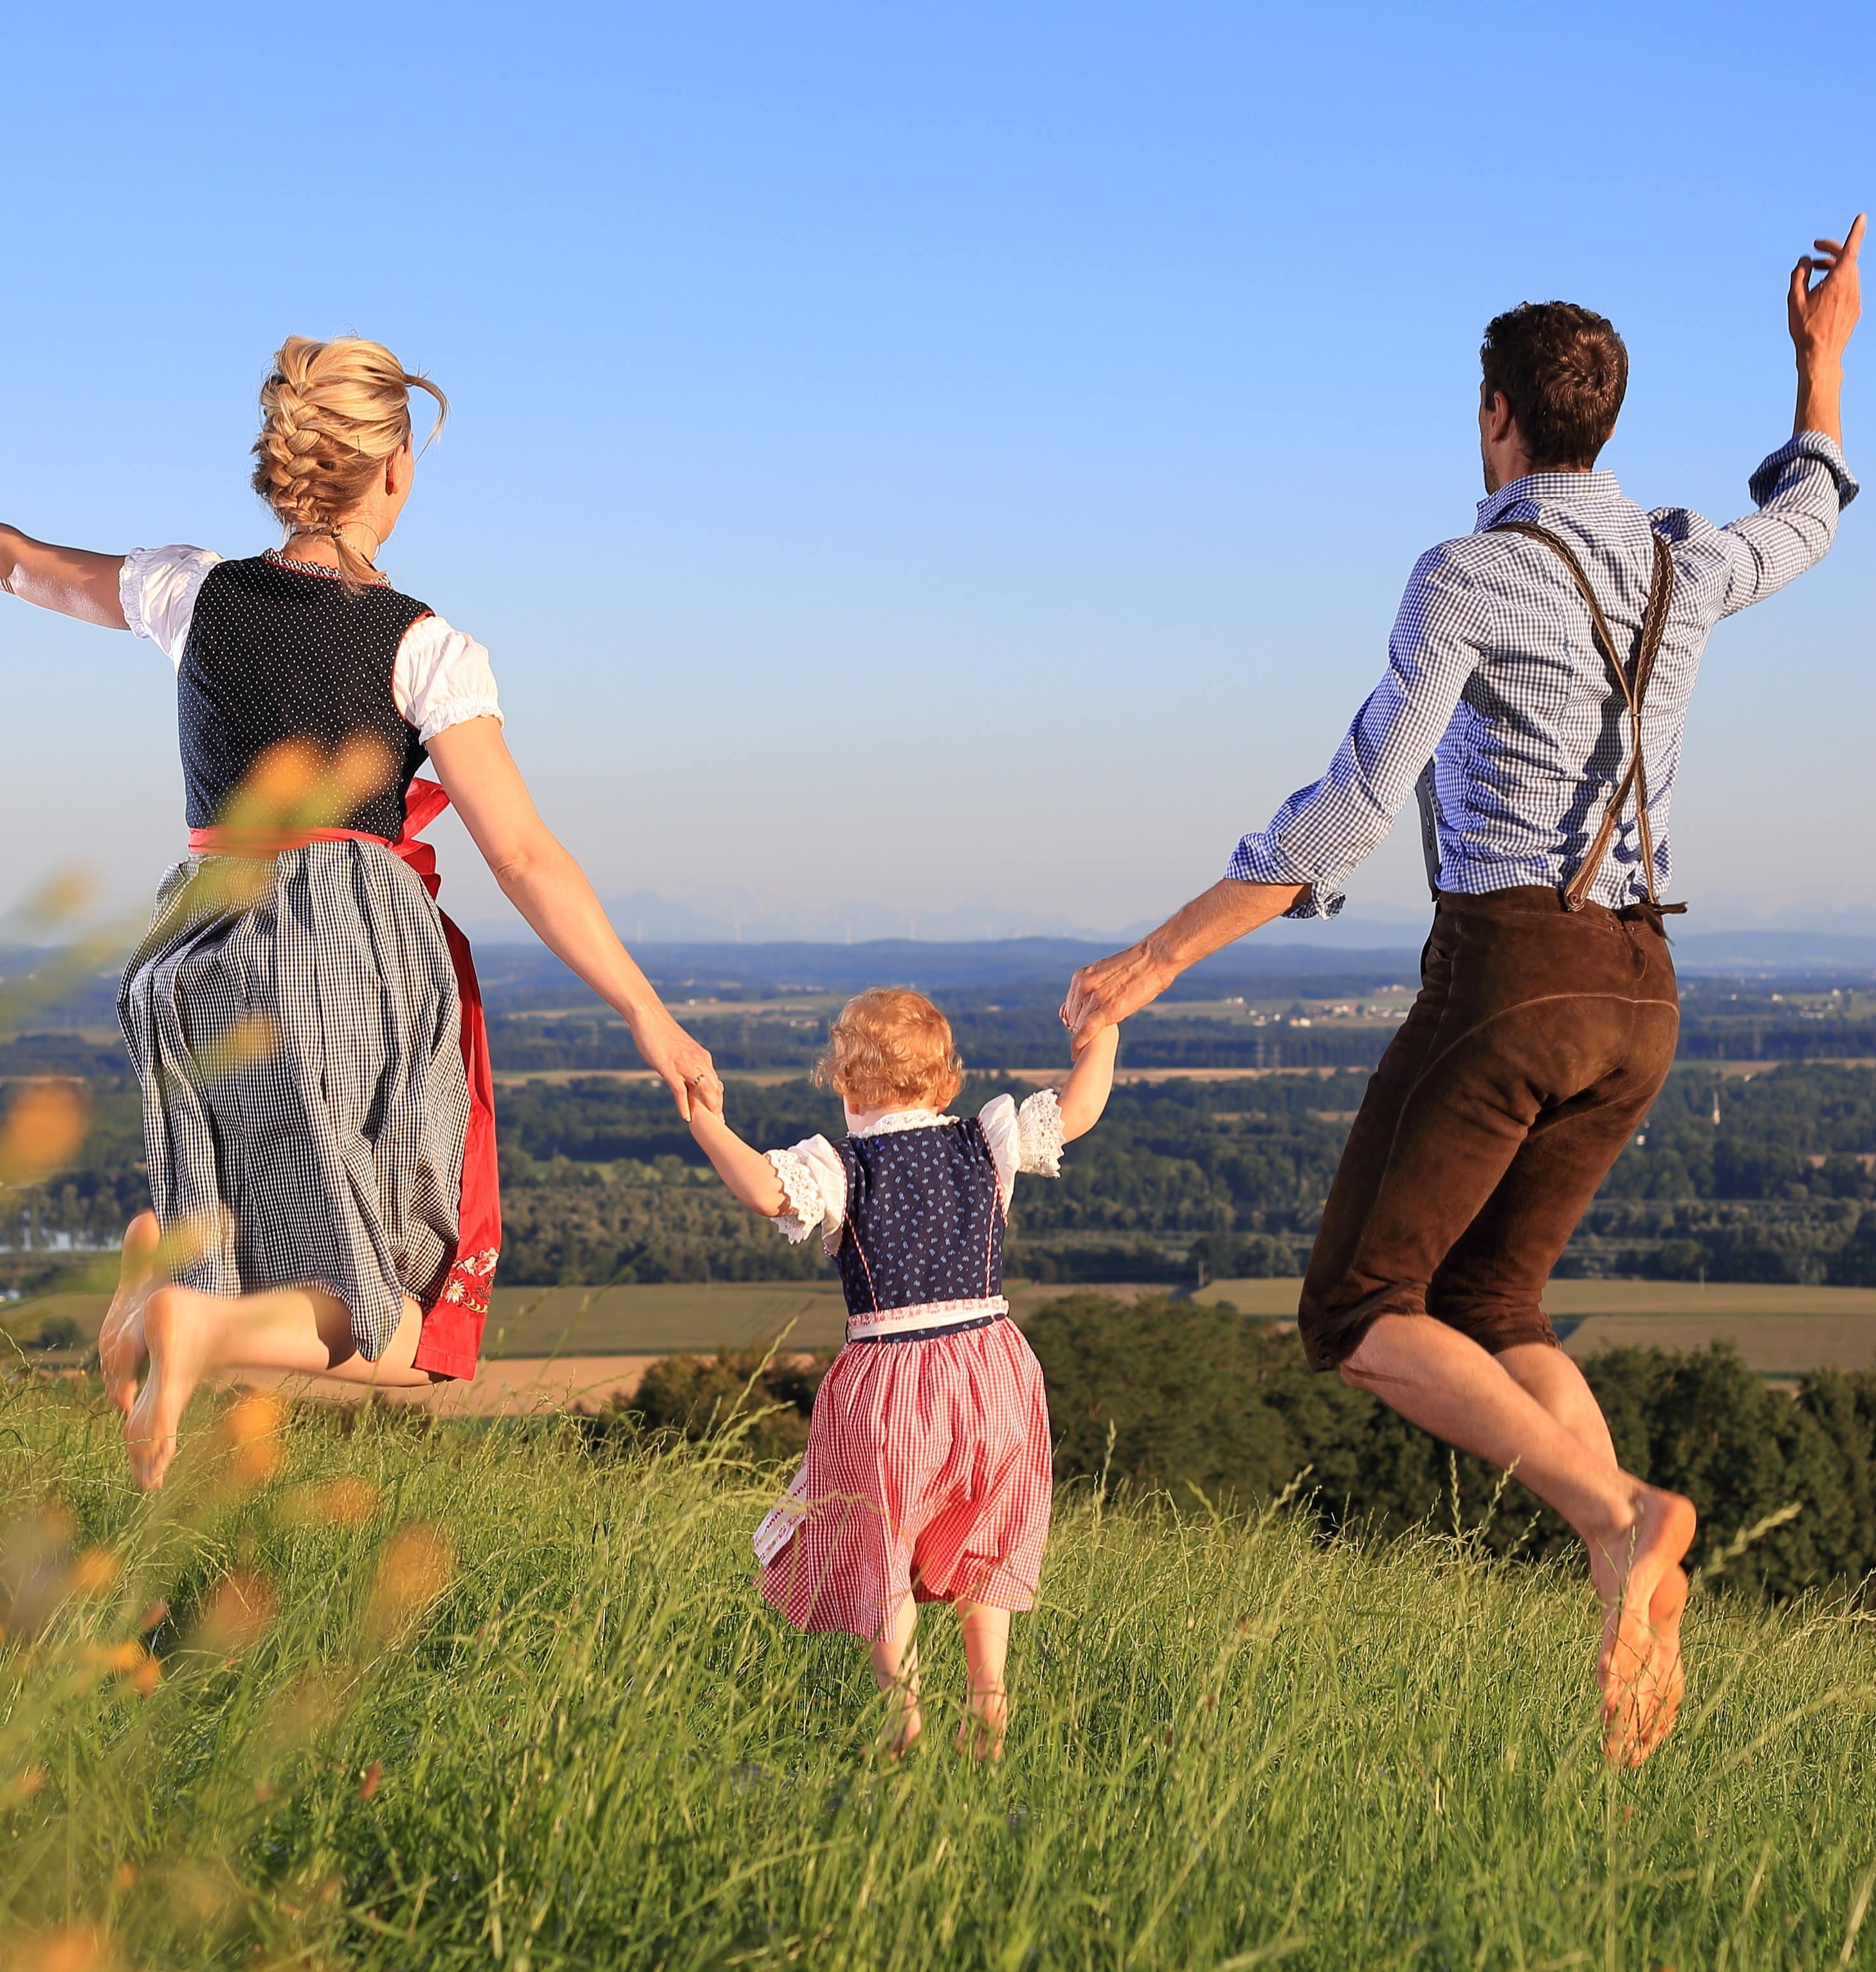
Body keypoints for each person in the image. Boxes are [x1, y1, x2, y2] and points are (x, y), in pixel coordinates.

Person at [1062, 218, 1863, 1766]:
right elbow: (1814, 516)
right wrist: (1821, 365)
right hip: (1645, 993)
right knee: (1494, 1306)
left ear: (1498, 415)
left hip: (1512, 974)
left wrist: (1158, 956)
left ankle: (1622, 1517)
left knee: (1360, 1312)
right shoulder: (1680, 563)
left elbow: (1356, 806)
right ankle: (1623, 1617)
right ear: (1604, 418)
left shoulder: (1471, 573)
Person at [0, 335, 718, 1487]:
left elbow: (7, 559)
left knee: (274, 1245)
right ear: (393, 471)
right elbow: (524, 851)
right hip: (347, 956)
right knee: (410, 1311)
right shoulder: (426, 646)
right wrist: (645, 1010)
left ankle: (173, 1291)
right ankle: (200, 1327)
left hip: (196, 945)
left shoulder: (191, 588)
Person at [688, 989, 1119, 1757]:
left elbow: (762, 1190)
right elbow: (1078, 1112)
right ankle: (988, 1693)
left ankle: (902, 1716)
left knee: (877, 1547)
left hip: (888, 1385)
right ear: (947, 1085)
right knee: (985, 1537)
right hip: (993, 1371)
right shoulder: (985, 1142)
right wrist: (1103, 1034)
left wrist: (704, 1120)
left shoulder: (841, 1165)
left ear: (846, 1086)